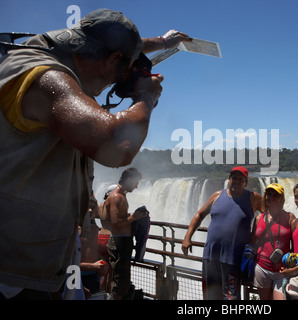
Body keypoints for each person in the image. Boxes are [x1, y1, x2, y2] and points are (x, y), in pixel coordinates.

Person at [0, 8, 191, 298]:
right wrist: (146, 97)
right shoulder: (46, 77)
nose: (111, 86)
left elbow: (117, 45)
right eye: (120, 73)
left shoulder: (41, 51)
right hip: (14, 277)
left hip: (29, 266)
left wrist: (164, 43)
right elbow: (117, 147)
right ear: (113, 60)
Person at [182, 166, 263, 300]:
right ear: (229, 180)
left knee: (230, 297)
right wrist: (187, 237)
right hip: (210, 256)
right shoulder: (217, 195)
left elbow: (268, 216)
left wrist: (256, 237)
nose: (236, 181)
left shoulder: (253, 198)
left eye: (240, 179)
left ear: (246, 182)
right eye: (234, 178)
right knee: (210, 295)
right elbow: (199, 215)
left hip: (233, 258)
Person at [102, 167, 148, 300]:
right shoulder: (117, 196)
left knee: (122, 282)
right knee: (119, 284)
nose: (137, 186)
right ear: (129, 179)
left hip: (122, 242)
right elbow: (115, 223)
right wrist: (134, 217)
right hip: (119, 242)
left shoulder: (121, 195)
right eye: (136, 182)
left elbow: (120, 217)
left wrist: (135, 214)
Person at [251, 183, 295, 300]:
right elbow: (253, 242)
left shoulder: (290, 217)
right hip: (261, 268)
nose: (271, 197)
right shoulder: (259, 218)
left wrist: (292, 267)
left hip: (282, 271)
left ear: (282, 199)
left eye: (276, 195)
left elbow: (296, 244)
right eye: (268, 194)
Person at [79, 195, 106, 298]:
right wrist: (93, 266)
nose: (90, 210)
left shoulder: (95, 228)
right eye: (87, 207)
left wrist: (101, 262)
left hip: (94, 275)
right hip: (78, 275)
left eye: (93, 207)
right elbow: (69, 262)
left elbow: (93, 250)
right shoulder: (76, 229)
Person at [97, 184, 117, 294]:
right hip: (110, 239)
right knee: (111, 275)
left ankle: (100, 296)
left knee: (103, 274)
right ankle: (109, 296)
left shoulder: (101, 205)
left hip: (100, 238)